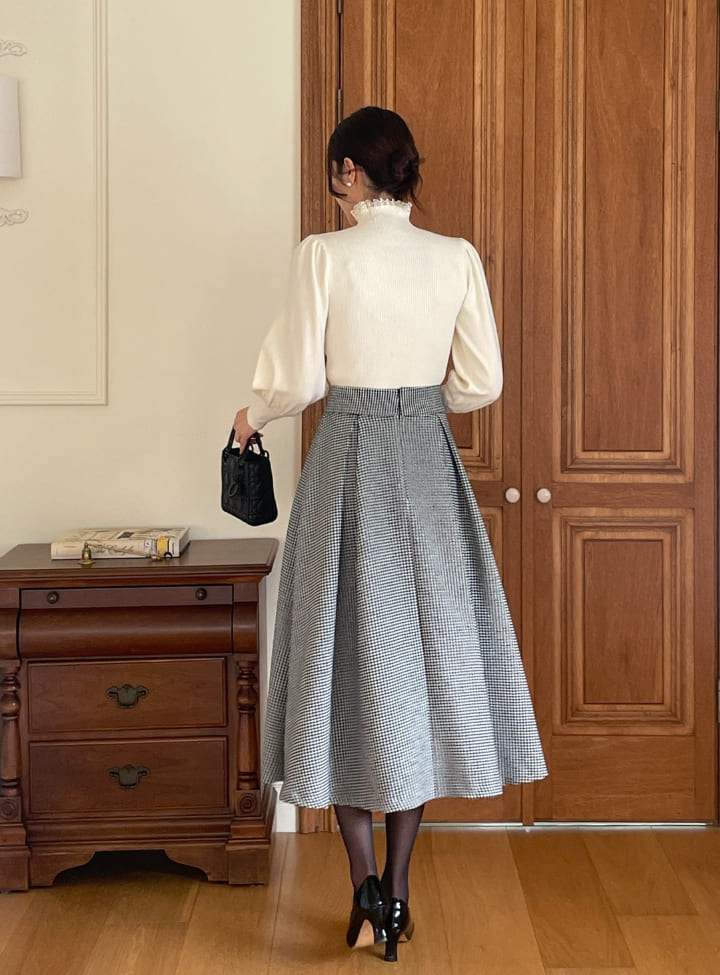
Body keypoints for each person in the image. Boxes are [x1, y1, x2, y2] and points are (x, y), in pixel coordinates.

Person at [233, 105, 548, 963]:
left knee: (340, 658)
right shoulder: (456, 256)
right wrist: (418, 402)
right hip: (426, 461)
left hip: (349, 457)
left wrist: (250, 414)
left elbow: (297, 379)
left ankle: (365, 888)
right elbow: (480, 381)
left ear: (348, 172)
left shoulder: (323, 254)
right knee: (419, 665)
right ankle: (399, 891)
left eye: (334, 174)